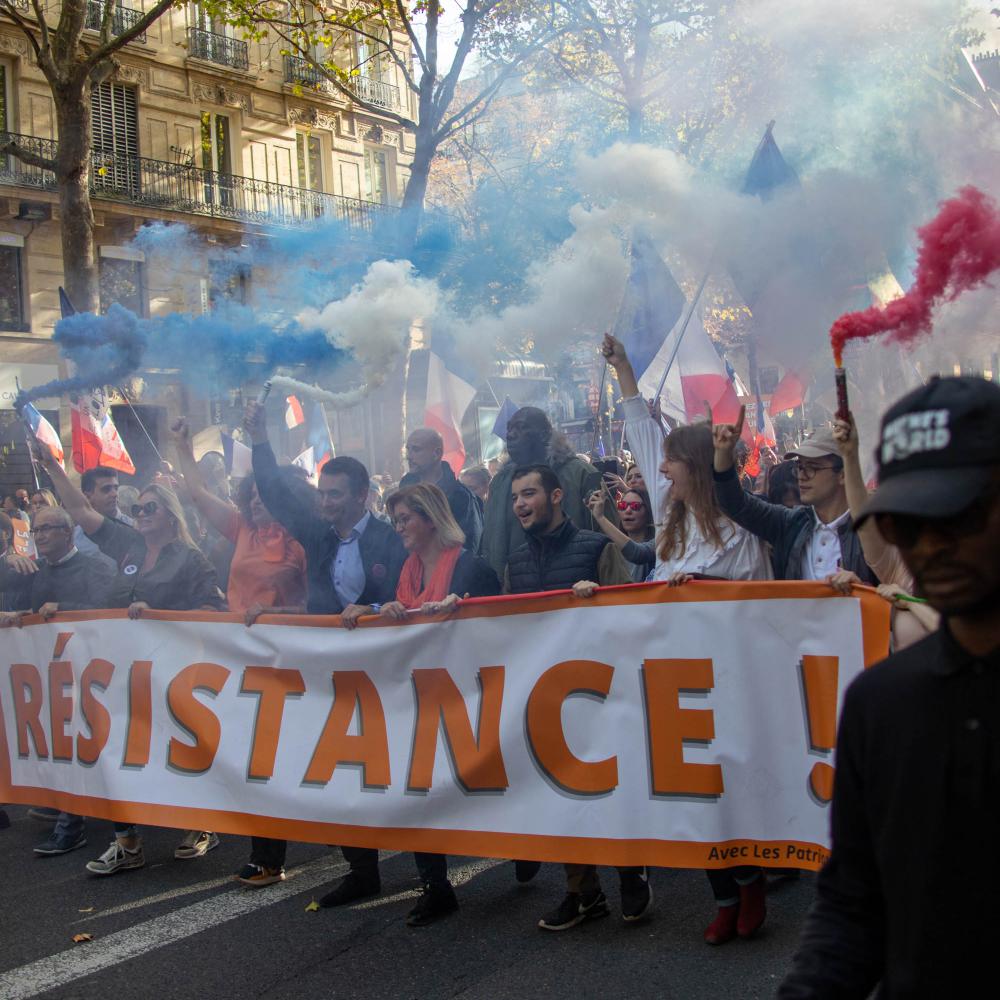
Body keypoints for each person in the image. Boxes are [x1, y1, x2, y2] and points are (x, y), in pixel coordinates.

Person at [779, 376, 1000, 999]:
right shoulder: (881, 703)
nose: (930, 543)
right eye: (907, 521)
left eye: (958, 513)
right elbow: (854, 904)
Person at [602, 333, 772, 943]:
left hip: (728, 679)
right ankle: (723, 898)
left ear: (696, 467)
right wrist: (624, 369)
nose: (661, 471)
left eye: (673, 463)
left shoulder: (742, 531)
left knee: (728, 793)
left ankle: (751, 886)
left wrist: (707, 593)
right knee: (693, 796)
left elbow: (759, 606)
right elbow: (644, 435)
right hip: (672, 678)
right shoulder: (670, 521)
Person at [31, 435, 226, 874]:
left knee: (179, 751)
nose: (139, 515)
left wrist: (157, 615)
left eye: (148, 508)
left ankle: (201, 825)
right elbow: (82, 512)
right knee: (114, 748)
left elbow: (213, 612)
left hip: (173, 670)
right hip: (123, 669)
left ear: (170, 514)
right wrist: (53, 467)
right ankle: (127, 842)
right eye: (135, 510)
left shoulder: (191, 559)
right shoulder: (128, 546)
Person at [243, 399, 407, 904]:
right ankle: (362, 870)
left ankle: (436, 875)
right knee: (340, 769)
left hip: (384, 668)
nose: (326, 501)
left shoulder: (391, 538)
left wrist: (373, 609)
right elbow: (274, 491)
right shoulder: (317, 533)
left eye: (335, 494)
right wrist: (259, 439)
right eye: (322, 492)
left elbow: (408, 594)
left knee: (397, 763)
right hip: (328, 670)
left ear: (362, 495)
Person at [501, 464, 651, 930]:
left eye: (529, 494)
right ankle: (583, 892)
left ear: (556, 496)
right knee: (561, 794)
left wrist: (598, 599)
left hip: (600, 691)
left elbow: (631, 611)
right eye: (515, 497)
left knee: (610, 787)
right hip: (545, 695)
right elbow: (503, 628)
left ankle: (631, 870)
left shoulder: (596, 548)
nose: (520, 504)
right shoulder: (515, 563)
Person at [347, 483, 501, 926]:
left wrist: (464, 610)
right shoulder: (408, 569)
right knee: (419, 789)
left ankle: (521, 849)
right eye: (395, 520)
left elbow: (500, 625)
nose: (398, 528)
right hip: (421, 697)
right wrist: (379, 609)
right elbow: (396, 610)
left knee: (487, 784)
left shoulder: (470, 567)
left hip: (470, 695)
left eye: (405, 519)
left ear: (431, 519)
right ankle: (436, 886)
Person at [171, 417, 310, 888]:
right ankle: (267, 856)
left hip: (292, 659)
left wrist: (278, 613)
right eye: (250, 496)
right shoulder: (243, 531)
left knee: (294, 753)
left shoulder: (303, 540)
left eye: (263, 495)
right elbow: (196, 495)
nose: (254, 502)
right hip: (243, 660)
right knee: (256, 756)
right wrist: (183, 447)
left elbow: (319, 604)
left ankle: (331, 830)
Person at [0, 505, 125, 858]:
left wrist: (64, 607)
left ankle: (74, 828)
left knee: (82, 745)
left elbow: (106, 607)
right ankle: (71, 815)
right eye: (36, 530)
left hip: (90, 674)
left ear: (67, 533)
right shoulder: (36, 571)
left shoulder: (94, 566)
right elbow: (29, 610)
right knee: (64, 747)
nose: (39, 536)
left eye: (47, 529)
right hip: (50, 677)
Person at [713, 416, 878, 584]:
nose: (802, 476)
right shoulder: (791, 523)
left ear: (842, 474)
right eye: (800, 467)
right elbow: (735, 504)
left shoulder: (872, 530)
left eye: (812, 468)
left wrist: (863, 588)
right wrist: (723, 455)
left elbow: (891, 588)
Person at [825, 412, 940, 649]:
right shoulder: (897, 563)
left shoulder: (976, 558)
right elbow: (863, 518)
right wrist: (850, 455)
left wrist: (910, 603)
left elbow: (963, 635)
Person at [482, 406, 615, 579]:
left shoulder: (581, 474)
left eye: (521, 427)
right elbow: (490, 543)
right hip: (514, 587)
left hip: (576, 588)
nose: (510, 435)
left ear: (545, 434)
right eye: (509, 429)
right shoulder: (500, 482)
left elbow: (610, 539)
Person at [400, 428, 483, 553]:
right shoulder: (404, 491)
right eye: (408, 449)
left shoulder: (461, 496)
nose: (409, 456)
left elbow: (469, 545)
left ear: (437, 453)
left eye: (416, 449)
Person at [586, 486, 656, 581]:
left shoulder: (658, 542)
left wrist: (600, 517)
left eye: (635, 506)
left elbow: (636, 552)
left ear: (649, 511)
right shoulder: (611, 549)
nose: (628, 511)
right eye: (622, 506)